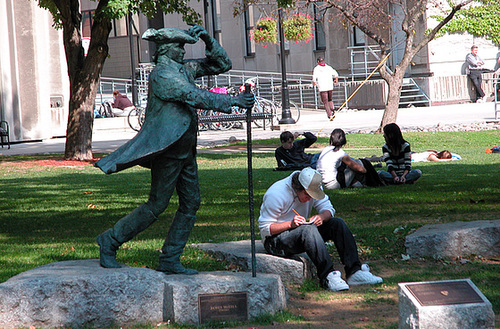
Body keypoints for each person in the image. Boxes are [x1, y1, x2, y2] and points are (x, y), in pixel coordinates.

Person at [94, 25, 254, 274]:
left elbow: (222, 64)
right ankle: (110, 240)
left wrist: (208, 39)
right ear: (166, 50)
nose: (183, 51)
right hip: (167, 150)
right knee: (156, 205)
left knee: (191, 203)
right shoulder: (163, 75)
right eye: (179, 47)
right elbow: (193, 96)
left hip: (185, 149)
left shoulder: (184, 69)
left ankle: (170, 258)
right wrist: (233, 100)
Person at [258, 167, 383, 291]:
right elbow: (265, 229)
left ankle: (354, 271)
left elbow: (329, 209)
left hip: (300, 231)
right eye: (307, 195)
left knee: (337, 223)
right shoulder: (276, 194)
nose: (310, 199)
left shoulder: (314, 186)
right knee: (308, 230)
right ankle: (327, 276)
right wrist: (290, 224)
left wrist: (321, 217)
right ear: (297, 188)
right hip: (275, 240)